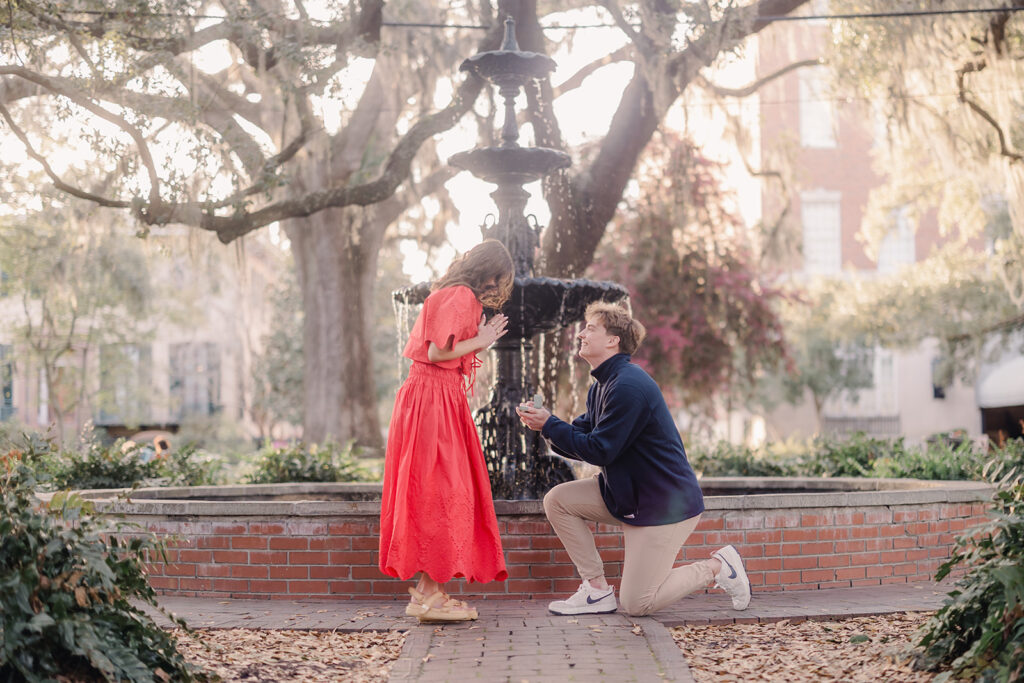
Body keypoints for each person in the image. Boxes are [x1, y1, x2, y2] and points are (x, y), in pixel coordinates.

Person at [516, 302, 751, 617]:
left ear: (613, 340)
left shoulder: (628, 386)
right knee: (558, 500)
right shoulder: (603, 385)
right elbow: (581, 439)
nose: (581, 334)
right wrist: (543, 425)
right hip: (628, 496)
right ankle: (597, 591)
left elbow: (600, 450)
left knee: (638, 603)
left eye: (591, 329)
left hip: (663, 504)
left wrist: (549, 424)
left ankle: (717, 566)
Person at [379, 239, 514, 622]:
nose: (497, 287)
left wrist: (478, 338)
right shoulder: (460, 296)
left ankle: (428, 592)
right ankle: (430, 594)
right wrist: (483, 339)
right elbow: (439, 353)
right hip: (433, 400)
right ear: (491, 272)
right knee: (442, 490)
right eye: (500, 279)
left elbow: (443, 352)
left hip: (431, 398)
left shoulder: (449, 293)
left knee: (433, 490)